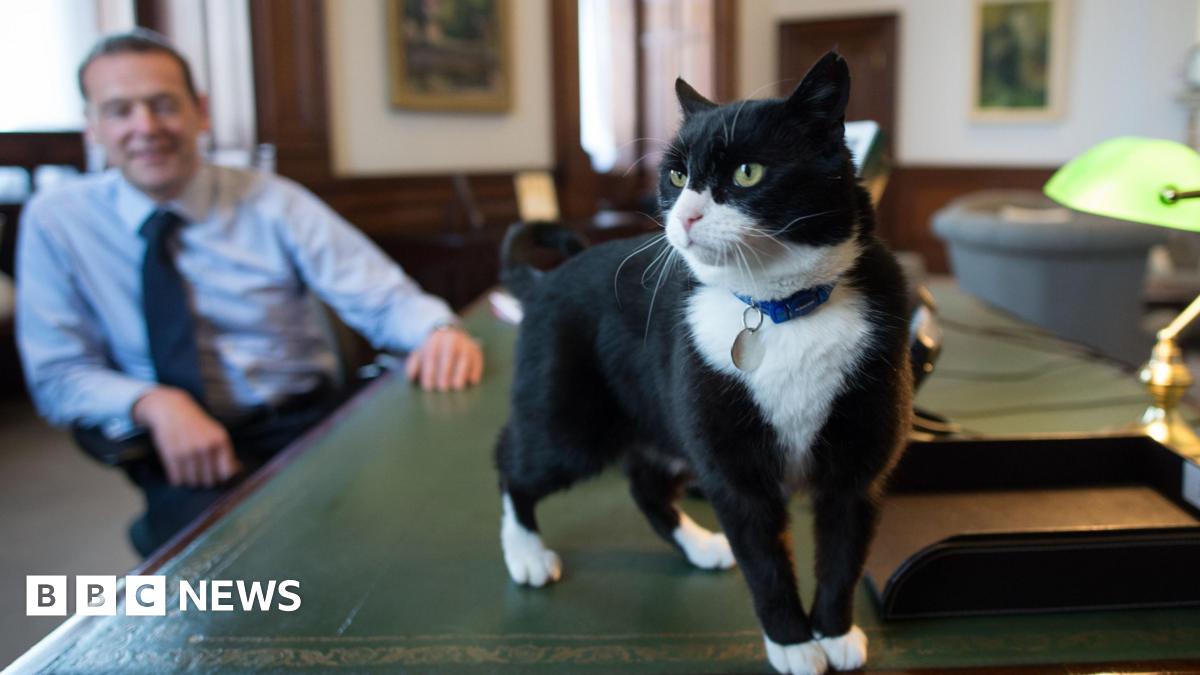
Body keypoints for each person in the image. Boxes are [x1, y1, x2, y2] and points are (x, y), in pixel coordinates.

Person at [16, 30, 484, 556]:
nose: (145, 127)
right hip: (180, 448)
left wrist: (436, 330)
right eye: (119, 110)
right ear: (93, 126)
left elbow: (382, 297)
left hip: (308, 426)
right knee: (234, 587)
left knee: (425, 535)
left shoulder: (274, 200)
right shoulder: (56, 221)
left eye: (163, 104)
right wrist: (152, 403)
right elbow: (58, 376)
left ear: (201, 112)